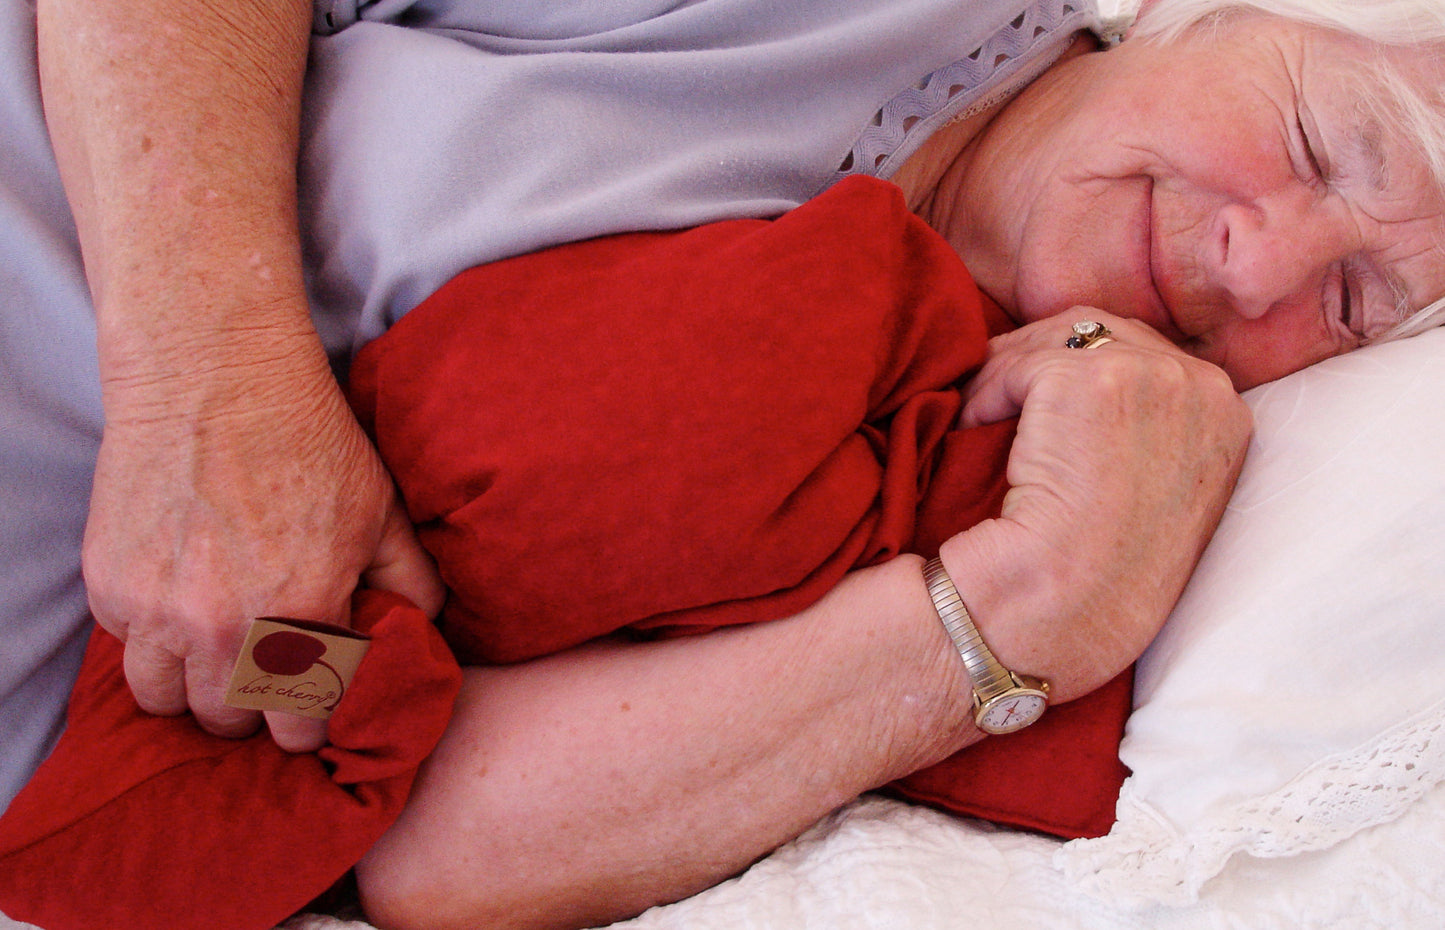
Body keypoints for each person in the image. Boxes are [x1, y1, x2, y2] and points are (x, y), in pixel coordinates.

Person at [0, 0, 1440, 927]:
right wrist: (211, 370)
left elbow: (417, 834)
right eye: (1320, 140)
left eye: (1350, 308)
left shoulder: (1039, 462)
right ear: (1200, 24)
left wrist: (1010, 616)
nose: (1261, 265)